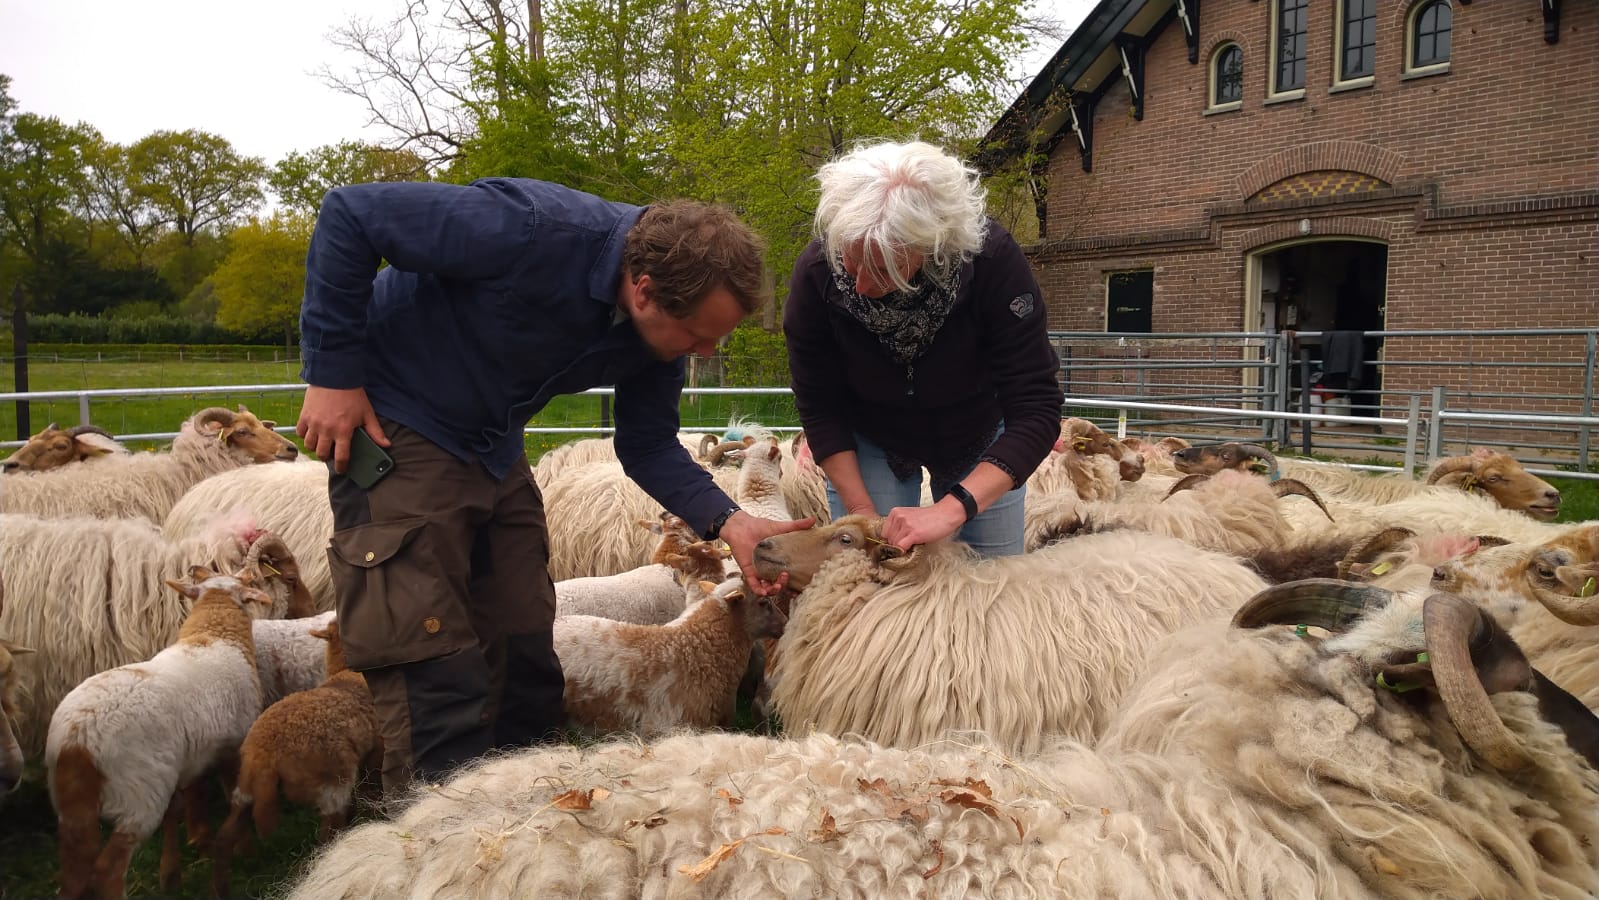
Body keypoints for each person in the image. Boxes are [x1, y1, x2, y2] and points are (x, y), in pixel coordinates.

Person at [295, 178, 810, 795]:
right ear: (644, 292)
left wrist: (733, 523)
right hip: (395, 419)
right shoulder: (529, 229)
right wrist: (333, 374)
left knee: (523, 648)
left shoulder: (660, 331)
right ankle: (433, 844)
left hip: (491, 440)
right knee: (432, 664)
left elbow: (645, 444)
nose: (703, 351)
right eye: (699, 335)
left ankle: (520, 826)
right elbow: (352, 213)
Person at [782, 140, 1064, 557]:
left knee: (992, 587)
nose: (858, 285)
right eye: (850, 260)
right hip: (872, 436)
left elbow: (1036, 405)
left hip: (978, 432)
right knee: (867, 577)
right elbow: (820, 405)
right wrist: (861, 513)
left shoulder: (992, 263)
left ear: (932, 246)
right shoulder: (818, 274)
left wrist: (954, 508)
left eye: (881, 267)